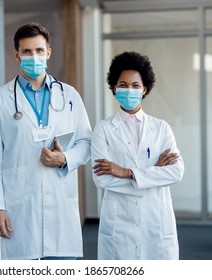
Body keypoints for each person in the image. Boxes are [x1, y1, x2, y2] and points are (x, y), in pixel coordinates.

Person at [0, 22, 92, 260]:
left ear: (48, 53)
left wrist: (65, 158)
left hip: (61, 206)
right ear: (16, 55)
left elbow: (85, 142)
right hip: (19, 209)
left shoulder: (69, 95)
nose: (34, 56)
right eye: (27, 51)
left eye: (39, 51)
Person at [91, 51, 185, 260]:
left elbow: (176, 172)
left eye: (135, 85)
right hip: (119, 223)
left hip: (155, 221)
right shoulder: (103, 129)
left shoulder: (161, 128)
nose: (129, 90)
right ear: (114, 89)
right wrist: (153, 175)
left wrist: (126, 173)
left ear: (145, 89)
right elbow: (101, 178)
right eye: (123, 85)